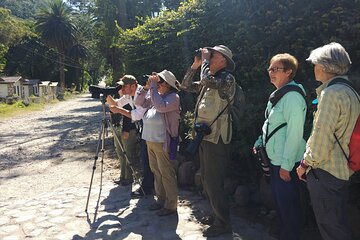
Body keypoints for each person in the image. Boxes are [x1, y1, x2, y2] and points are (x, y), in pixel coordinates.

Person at [296, 42, 360, 240]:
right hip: (342, 169)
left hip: (325, 171)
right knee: (337, 222)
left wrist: (305, 163)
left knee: (331, 227)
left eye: (315, 64)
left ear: (323, 66)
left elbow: (321, 138)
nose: (314, 68)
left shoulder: (331, 94)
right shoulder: (350, 91)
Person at [180, 45, 235, 237]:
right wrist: (195, 64)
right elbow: (185, 86)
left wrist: (203, 61)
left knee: (213, 182)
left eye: (213, 55)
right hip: (204, 136)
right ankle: (216, 215)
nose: (209, 57)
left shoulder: (226, 78)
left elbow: (206, 80)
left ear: (223, 60)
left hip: (217, 138)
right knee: (205, 179)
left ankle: (223, 223)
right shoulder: (208, 80)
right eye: (209, 55)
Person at [254, 53, 307, 240]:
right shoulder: (278, 95)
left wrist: (286, 165)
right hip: (275, 160)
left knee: (289, 204)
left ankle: (291, 235)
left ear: (288, 72)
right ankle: (285, 232)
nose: (271, 72)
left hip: (287, 163)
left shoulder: (292, 97)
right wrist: (260, 141)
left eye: (275, 69)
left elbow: (295, 133)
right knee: (281, 202)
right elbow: (271, 125)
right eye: (270, 68)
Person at [135, 70, 180, 216]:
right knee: (156, 171)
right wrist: (147, 88)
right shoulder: (156, 95)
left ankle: (171, 204)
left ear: (167, 84)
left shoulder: (173, 97)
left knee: (166, 172)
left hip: (163, 142)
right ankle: (160, 199)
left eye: (159, 81)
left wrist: (153, 88)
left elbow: (161, 107)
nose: (157, 83)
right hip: (150, 141)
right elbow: (138, 103)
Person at [106, 75, 154, 196]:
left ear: (133, 86)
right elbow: (116, 104)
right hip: (146, 126)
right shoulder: (128, 95)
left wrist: (118, 110)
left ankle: (148, 187)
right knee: (145, 158)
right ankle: (147, 186)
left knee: (148, 159)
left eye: (124, 86)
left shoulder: (142, 93)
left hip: (152, 127)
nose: (122, 88)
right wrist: (106, 95)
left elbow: (136, 115)